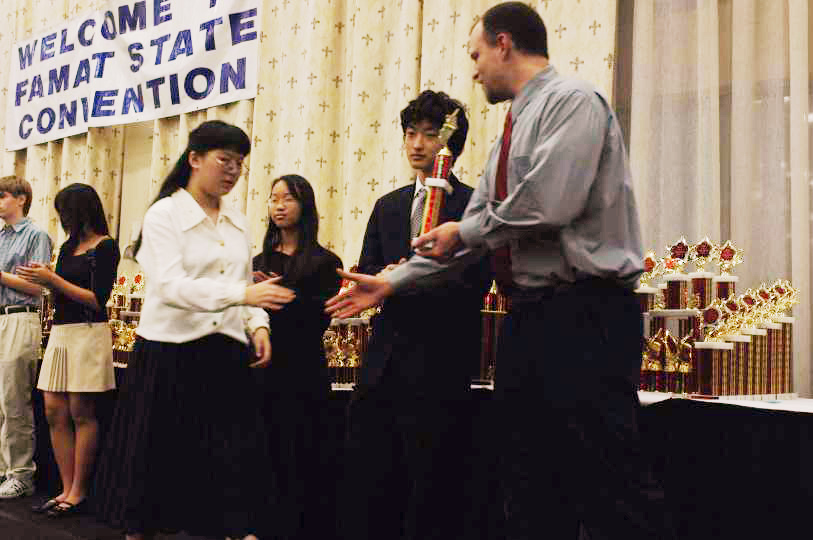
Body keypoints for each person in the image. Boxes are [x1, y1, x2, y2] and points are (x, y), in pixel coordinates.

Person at [327, 3, 674, 539]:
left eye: (476, 55)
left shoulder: (573, 101)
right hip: (530, 319)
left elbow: (547, 203)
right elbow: (481, 230)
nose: (474, 71)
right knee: (528, 482)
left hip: (587, 313)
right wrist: (392, 281)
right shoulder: (511, 126)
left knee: (608, 477)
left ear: (504, 44)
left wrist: (464, 231)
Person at [93, 120, 295, 540]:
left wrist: (258, 325)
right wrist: (243, 295)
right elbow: (170, 287)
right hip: (170, 353)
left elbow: (245, 284)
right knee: (154, 470)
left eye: (239, 163)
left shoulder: (237, 221)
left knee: (229, 466)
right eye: (224, 160)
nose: (232, 170)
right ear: (195, 159)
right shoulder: (163, 214)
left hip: (224, 355)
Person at [345, 90, 491, 540]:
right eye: (411, 133)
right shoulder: (387, 205)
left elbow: (476, 281)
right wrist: (381, 277)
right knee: (374, 480)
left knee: (431, 486)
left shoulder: (472, 206)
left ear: (450, 144)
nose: (417, 144)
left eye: (429, 134)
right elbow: (368, 270)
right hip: (384, 362)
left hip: (440, 360)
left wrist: (406, 278)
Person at [17, 183, 119, 518]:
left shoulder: (105, 246)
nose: (63, 219)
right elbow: (62, 292)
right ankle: (65, 487)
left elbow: (97, 299)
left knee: (81, 411)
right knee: (53, 410)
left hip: (88, 333)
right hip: (61, 332)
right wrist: (43, 280)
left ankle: (79, 491)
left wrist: (53, 280)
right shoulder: (67, 247)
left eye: (65, 211)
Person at [252, 173, 343, 540]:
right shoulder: (259, 260)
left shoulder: (325, 262)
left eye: (287, 198)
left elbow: (319, 318)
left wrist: (277, 296)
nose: (279, 206)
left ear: (304, 206)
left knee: (302, 451)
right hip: (262, 368)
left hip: (304, 370)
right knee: (263, 451)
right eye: (274, 198)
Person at [0, 176, 53, 499]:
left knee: (14, 399)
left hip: (20, 316)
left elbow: (38, 287)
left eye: (2, 195)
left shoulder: (36, 235)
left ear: (21, 199)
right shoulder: (1, 236)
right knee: (0, 401)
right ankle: (4, 469)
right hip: (1, 316)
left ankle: (21, 474)